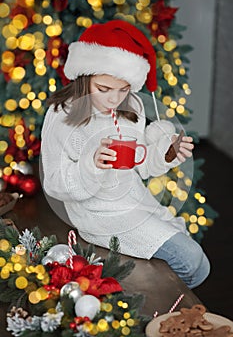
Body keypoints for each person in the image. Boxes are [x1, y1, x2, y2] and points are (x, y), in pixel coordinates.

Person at [41, 20, 210, 289]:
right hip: (98, 214)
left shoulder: (132, 105)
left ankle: (162, 314)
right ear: (84, 78)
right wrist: (91, 164)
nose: (114, 99)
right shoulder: (63, 114)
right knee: (190, 261)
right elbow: (53, 182)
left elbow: (140, 165)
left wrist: (166, 154)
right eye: (104, 89)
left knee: (197, 261)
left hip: (135, 201)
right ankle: (155, 314)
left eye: (123, 89)